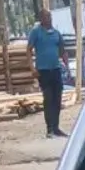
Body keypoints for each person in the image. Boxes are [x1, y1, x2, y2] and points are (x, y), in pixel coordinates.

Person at [27, 10, 65, 138]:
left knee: (57, 99)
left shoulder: (56, 33)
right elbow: (28, 50)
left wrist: (67, 67)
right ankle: (49, 129)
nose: (49, 19)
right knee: (48, 99)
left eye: (50, 16)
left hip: (56, 69)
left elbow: (62, 50)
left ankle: (56, 127)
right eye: (46, 17)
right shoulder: (36, 32)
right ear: (41, 19)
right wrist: (32, 68)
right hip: (43, 71)